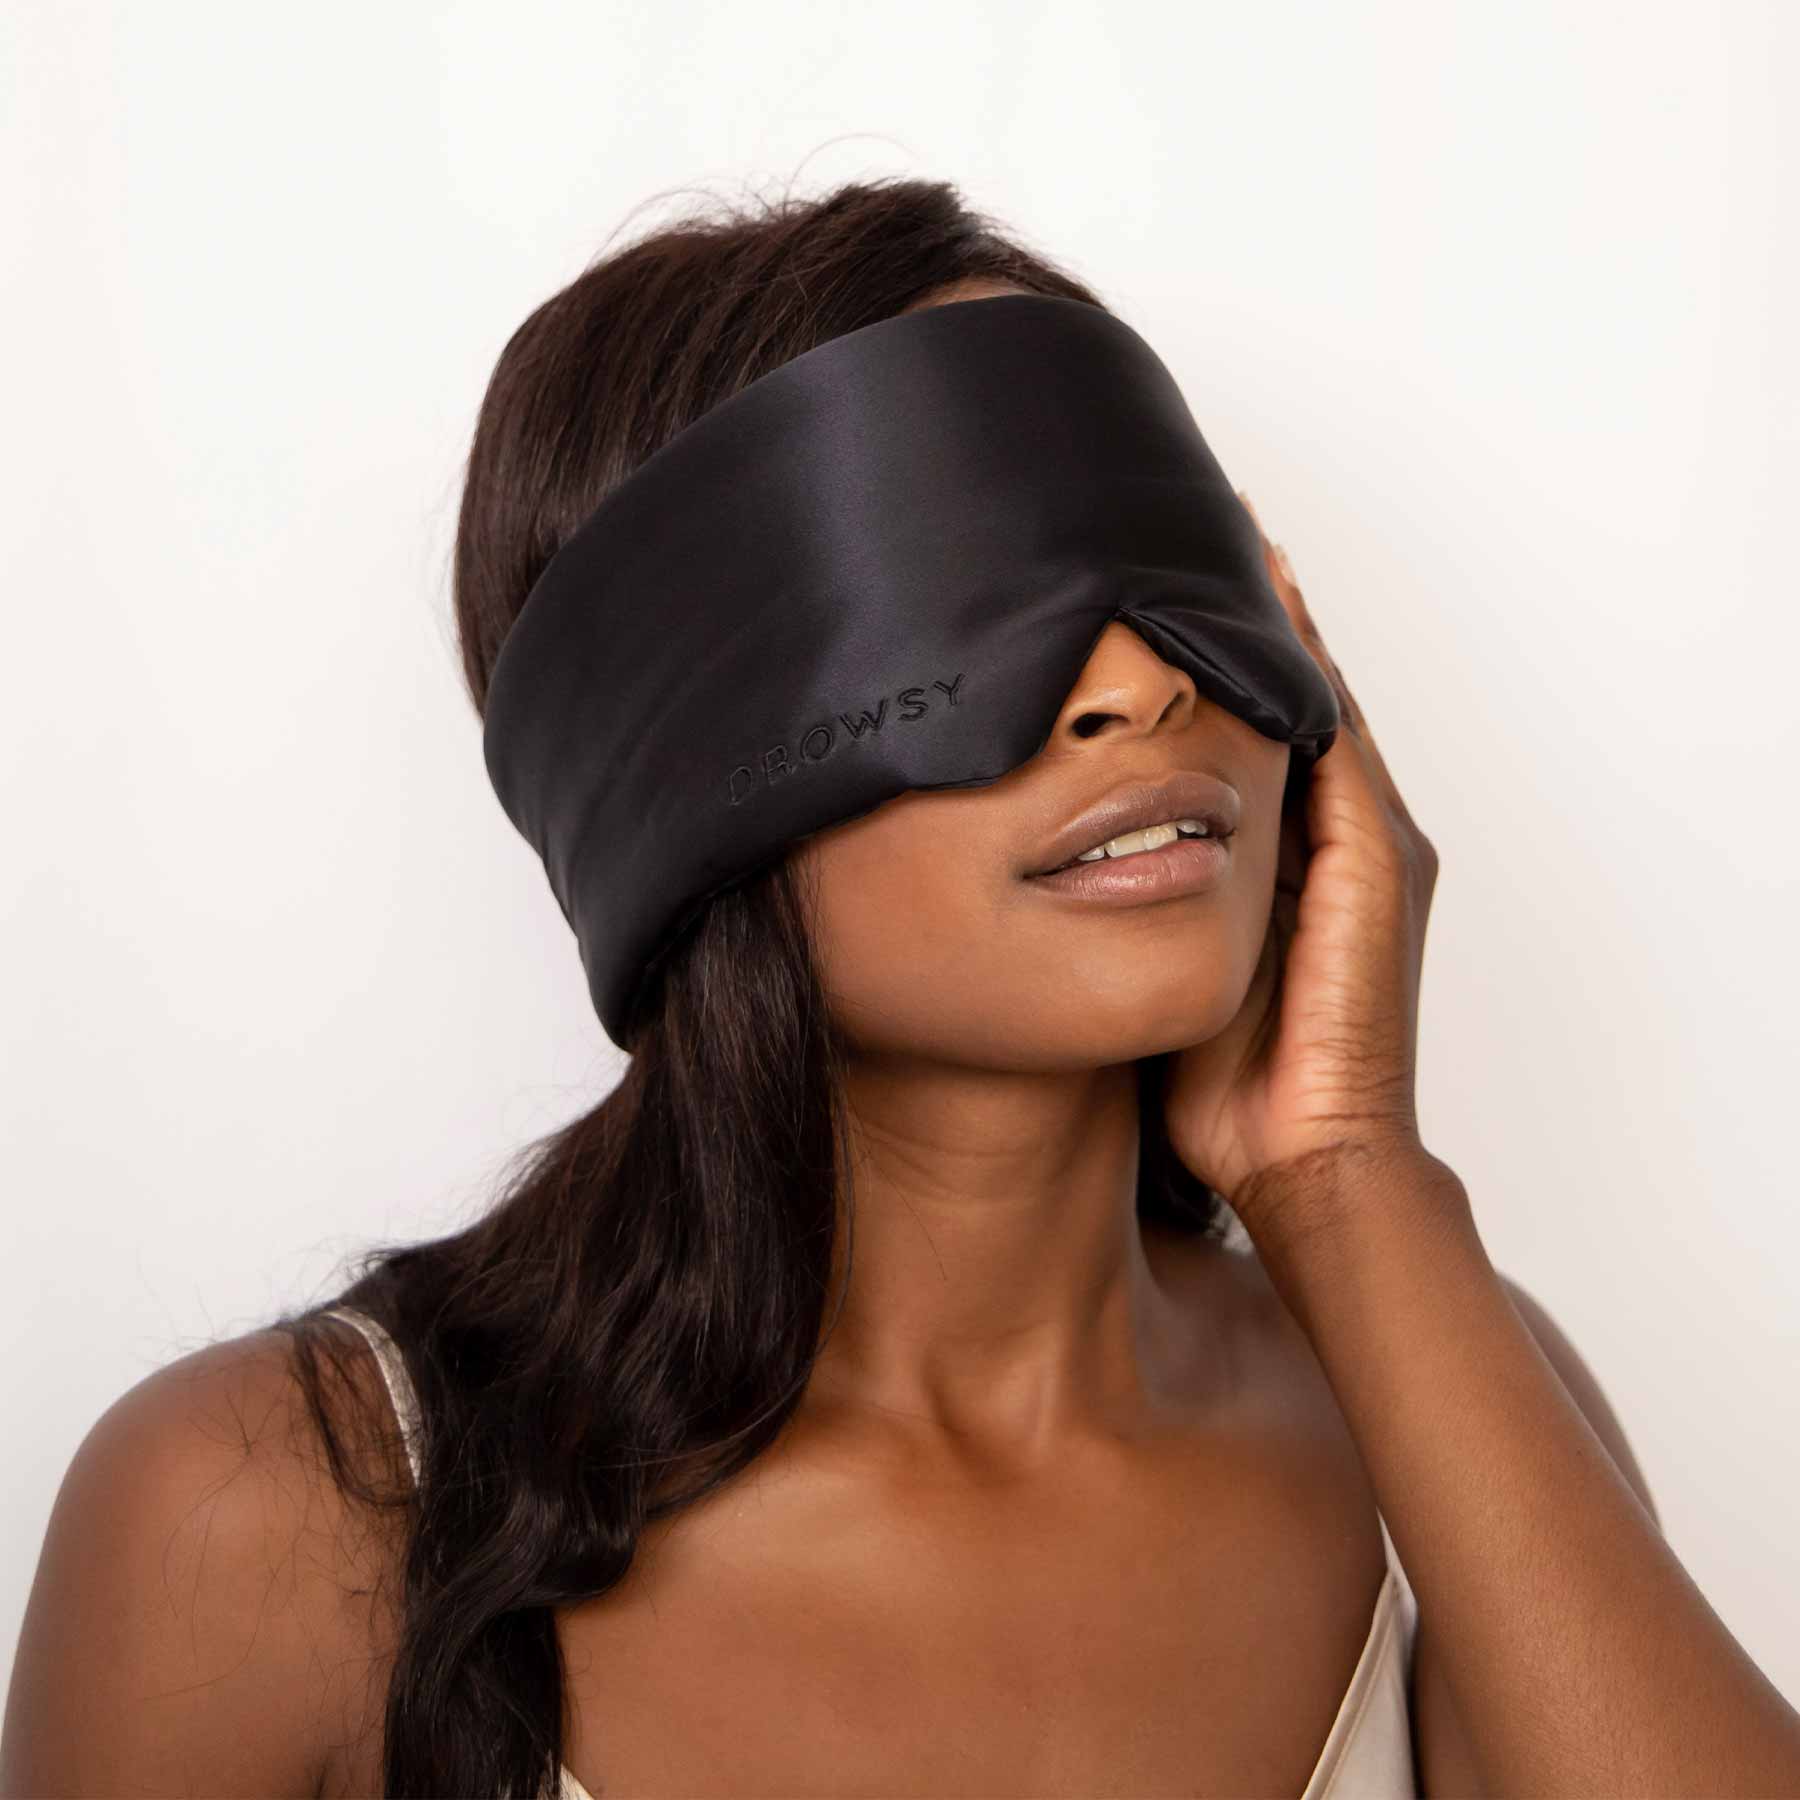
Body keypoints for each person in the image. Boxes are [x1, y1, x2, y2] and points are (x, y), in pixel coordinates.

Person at [6, 175, 1798, 1800]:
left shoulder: (1439, 1404)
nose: (1137, 694)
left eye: (1174, 579)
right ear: (669, 769)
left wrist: (1351, 1181)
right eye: (959, 593)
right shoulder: (276, 1520)